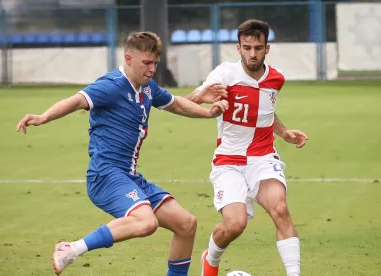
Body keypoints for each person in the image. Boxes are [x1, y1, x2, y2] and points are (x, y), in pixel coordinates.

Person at [16, 31, 228, 276]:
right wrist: (44, 117)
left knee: (186, 224)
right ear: (128, 58)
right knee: (146, 222)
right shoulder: (111, 85)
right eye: (146, 63)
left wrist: (208, 113)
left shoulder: (147, 88)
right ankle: (71, 249)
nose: (151, 69)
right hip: (105, 175)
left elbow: (177, 103)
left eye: (155, 63)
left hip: (129, 176)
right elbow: (76, 101)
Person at [188, 20, 309, 276]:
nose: (252, 54)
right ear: (238, 48)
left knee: (281, 209)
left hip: (262, 156)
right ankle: (210, 260)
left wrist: (284, 133)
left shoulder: (276, 80)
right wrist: (201, 98)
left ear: (267, 48)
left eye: (258, 48)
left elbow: (265, 113)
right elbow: (189, 100)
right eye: (247, 47)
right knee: (235, 224)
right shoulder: (225, 74)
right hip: (228, 160)